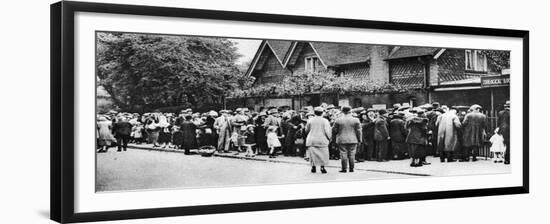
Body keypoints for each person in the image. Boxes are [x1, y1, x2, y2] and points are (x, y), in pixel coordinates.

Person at [332, 106, 362, 173]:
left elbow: (334, 131)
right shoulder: (356, 120)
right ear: (350, 111)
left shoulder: (338, 120)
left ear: (342, 111)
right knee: (352, 154)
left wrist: (334, 139)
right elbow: (359, 131)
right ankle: (351, 168)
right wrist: (360, 139)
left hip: (342, 139)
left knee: (343, 154)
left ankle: (344, 168)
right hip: (353, 139)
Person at [305, 107, 332, 174]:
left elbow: (306, 130)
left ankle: (313, 167)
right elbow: (327, 131)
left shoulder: (310, 120)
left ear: (314, 113)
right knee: (323, 154)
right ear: (322, 113)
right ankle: (322, 167)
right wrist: (329, 138)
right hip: (322, 140)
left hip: (312, 139)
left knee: (313, 154)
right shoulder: (325, 121)